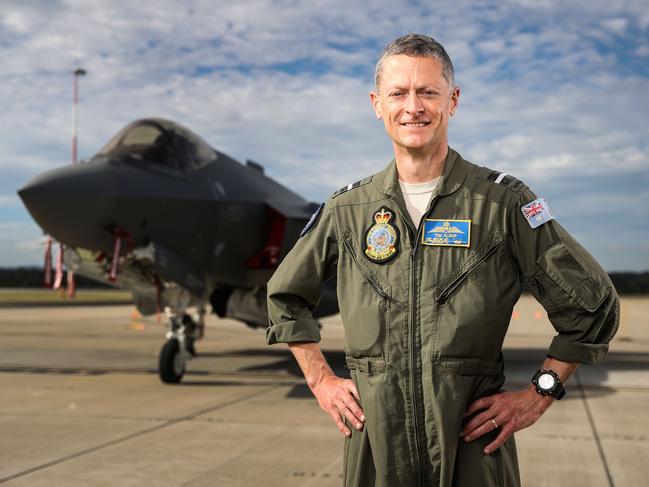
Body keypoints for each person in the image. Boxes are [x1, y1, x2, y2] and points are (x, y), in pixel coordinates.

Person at [265, 33, 619, 487]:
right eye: (398, 93)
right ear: (377, 104)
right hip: (375, 449)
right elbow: (285, 296)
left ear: (453, 101)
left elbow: (593, 305)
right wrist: (320, 381)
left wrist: (539, 394)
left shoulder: (502, 203)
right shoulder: (347, 210)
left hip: (473, 447)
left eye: (428, 92)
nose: (413, 106)